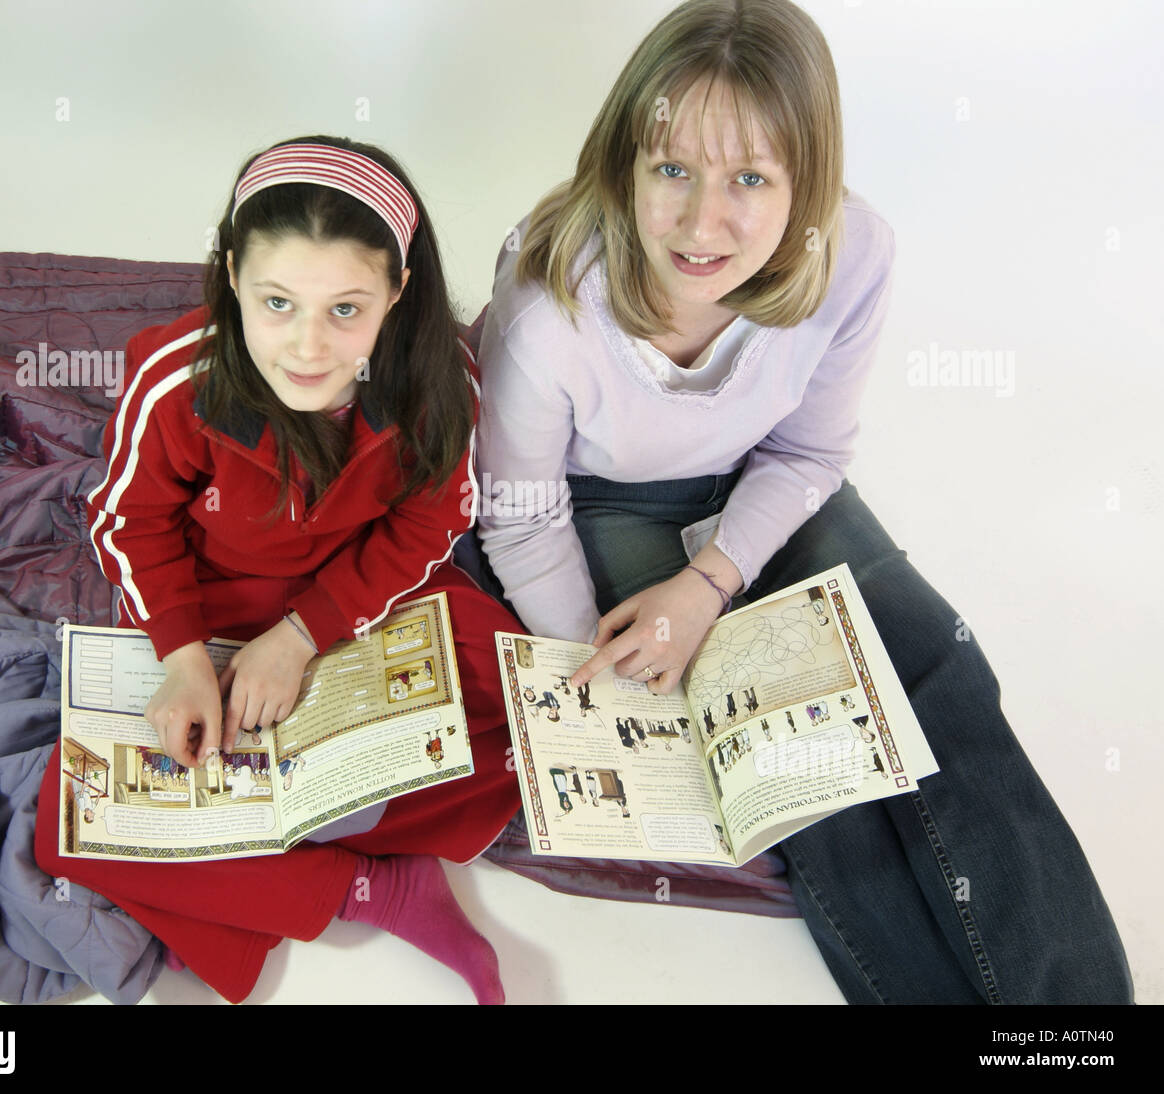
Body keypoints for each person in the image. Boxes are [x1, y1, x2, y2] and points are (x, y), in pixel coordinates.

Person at [472, 0, 1132, 1003]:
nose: (702, 223)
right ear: (622, 165)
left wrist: (712, 579)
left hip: (765, 477)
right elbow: (521, 511)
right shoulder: (547, 298)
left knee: (936, 671)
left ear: (807, 184)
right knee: (798, 754)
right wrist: (593, 669)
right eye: (670, 169)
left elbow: (810, 447)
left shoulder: (855, 252)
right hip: (602, 499)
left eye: (749, 178)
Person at [34, 136, 523, 1005]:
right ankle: (371, 886)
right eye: (276, 303)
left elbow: (431, 521)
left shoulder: (440, 382)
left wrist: (305, 636)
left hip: (357, 593)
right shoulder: (175, 379)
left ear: (397, 293)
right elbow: (129, 520)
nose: (306, 346)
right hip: (213, 594)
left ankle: (239, 863)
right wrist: (186, 660)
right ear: (230, 276)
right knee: (67, 824)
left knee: (515, 698)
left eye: (346, 309)